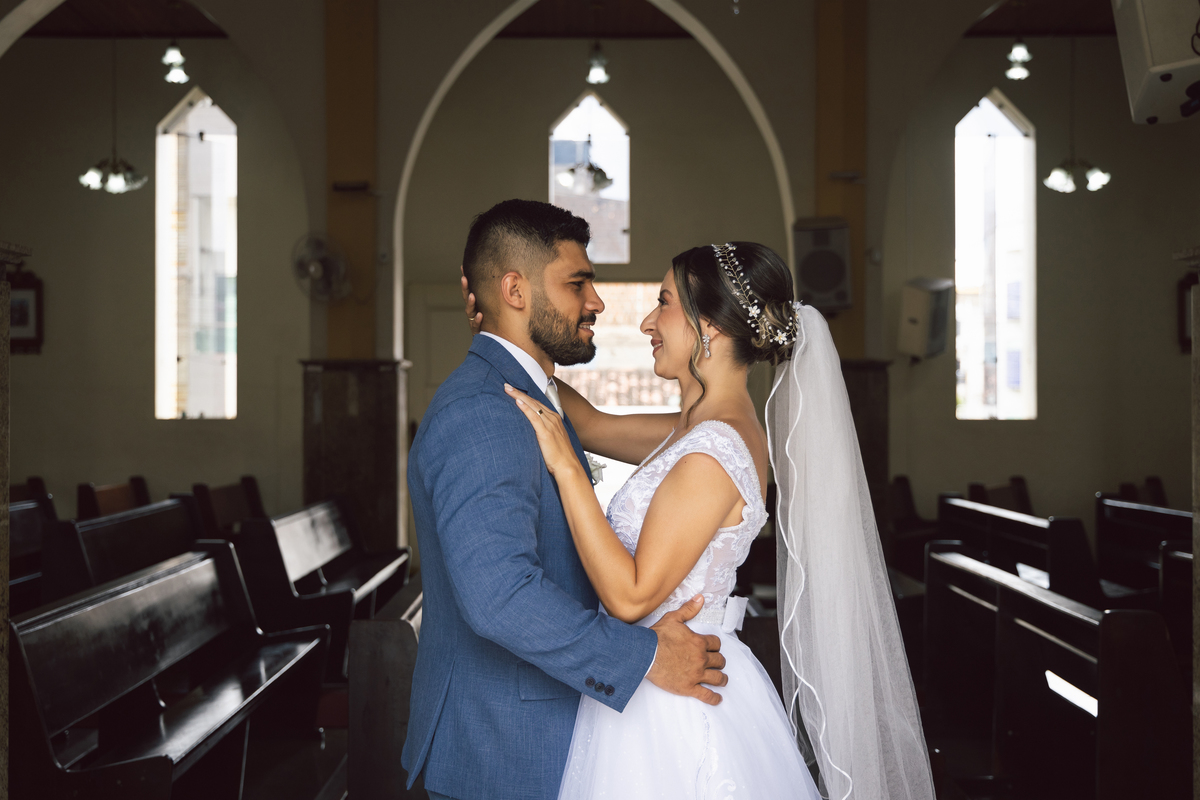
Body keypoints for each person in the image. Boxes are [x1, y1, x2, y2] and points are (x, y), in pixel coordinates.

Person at [496, 241, 936, 799]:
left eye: (664, 303)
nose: (648, 322)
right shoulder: (695, 429)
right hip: (655, 672)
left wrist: (568, 472)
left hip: (675, 701)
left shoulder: (712, 453)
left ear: (711, 326)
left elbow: (632, 598)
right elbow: (593, 425)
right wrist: (508, 340)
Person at [403, 199, 730, 800]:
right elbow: (499, 597)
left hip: (542, 732)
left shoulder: (530, 394)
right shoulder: (482, 413)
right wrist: (646, 658)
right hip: (504, 747)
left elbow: (685, 436)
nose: (598, 302)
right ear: (515, 290)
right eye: (578, 284)